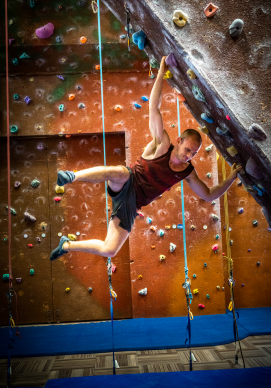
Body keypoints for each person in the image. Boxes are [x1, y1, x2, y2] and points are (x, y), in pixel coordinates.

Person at [50, 57, 242, 261]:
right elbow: (154, 108)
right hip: (128, 181)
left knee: (110, 250)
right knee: (119, 172)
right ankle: (72, 176)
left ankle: (67, 245)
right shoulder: (163, 144)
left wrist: (232, 177)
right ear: (178, 141)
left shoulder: (187, 172)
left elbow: (209, 194)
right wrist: (161, 72)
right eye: (187, 149)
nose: (188, 156)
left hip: (131, 204)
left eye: (193, 154)